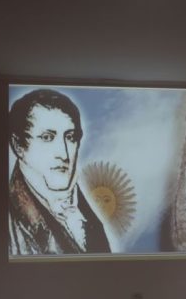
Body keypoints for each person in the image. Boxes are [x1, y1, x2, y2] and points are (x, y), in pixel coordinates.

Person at [8, 89, 111, 255]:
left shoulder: (86, 217)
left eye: (70, 137)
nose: (63, 154)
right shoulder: (7, 226)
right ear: (18, 146)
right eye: (47, 137)